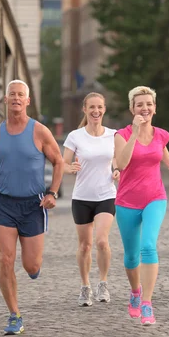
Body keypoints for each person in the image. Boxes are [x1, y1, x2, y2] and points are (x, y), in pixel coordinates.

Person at [0, 79, 64, 335]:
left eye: (21, 95)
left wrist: (52, 192)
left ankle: (33, 268)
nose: (16, 98)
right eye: (12, 94)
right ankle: (14, 314)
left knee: (31, 265)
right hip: (5, 204)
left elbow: (59, 162)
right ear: (5, 100)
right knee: (5, 258)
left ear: (27, 101)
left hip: (33, 205)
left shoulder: (40, 131)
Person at [114, 86, 169, 325]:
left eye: (149, 104)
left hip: (155, 197)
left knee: (148, 246)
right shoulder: (121, 135)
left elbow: (161, 151)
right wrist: (134, 132)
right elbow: (122, 163)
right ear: (132, 109)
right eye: (139, 105)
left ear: (155, 107)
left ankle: (146, 302)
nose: (145, 108)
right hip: (126, 201)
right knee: (131, 256)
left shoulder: (161, 134)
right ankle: (135, 292)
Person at [62, 92, 119, 307]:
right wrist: (70, 168)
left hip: (106, 194)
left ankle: (103, 283)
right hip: (82, 197)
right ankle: (85, 286)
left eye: (100, 107)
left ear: (104, 109)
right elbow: (64, 163)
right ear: (85, 110)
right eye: (92, 107)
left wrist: (117, 170)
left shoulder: (113, 135)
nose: (96, 111)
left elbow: (117, 159)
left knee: (102, 241)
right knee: (85, 246)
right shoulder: (75, 136)